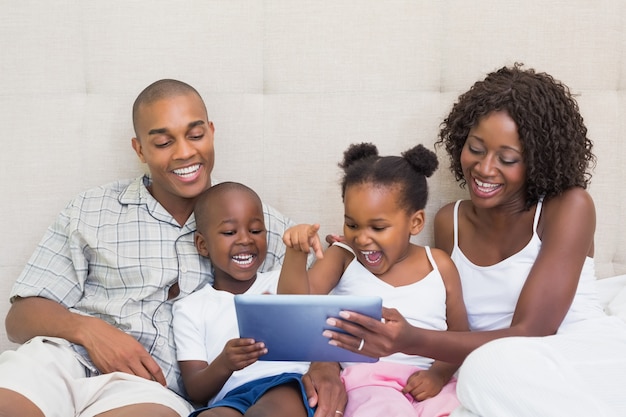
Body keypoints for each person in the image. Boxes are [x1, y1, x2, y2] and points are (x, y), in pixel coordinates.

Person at [0, 79, 343, 417]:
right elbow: (19, 318)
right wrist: (90, 330)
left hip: (146, 386)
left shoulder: (259, 225)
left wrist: (325, 364)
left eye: (195, 135)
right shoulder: (91, 209)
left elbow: (311, 306)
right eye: (164, 142)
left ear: (211, 131)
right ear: (139, 150)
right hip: (60, 359)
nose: (185, 152)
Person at [316, 64, 626, 416]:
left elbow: (534, 331)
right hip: (493, 372)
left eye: (507, 159)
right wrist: (363, 242)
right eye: (476, 149)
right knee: (477, 375)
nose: (484, 168)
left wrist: (411, 338)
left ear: (539, 162)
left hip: (568, 357)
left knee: (482, 370)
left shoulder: (569, 207)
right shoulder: (450, 220)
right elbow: (442, 309)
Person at [279, 142, 469, 417]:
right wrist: (296, 254)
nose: (361, 238)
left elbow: (460, 336)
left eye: (378, 227)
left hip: (429, 384)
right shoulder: (343, 256)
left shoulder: (439, 264)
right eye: (352, 224)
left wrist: (438, 375)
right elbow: (294, 309)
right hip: (368, 382)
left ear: (415, 223)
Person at [172, 181, 314, 417]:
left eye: (256, 230)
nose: (246, 239)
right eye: (229, 232)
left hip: (284, 385)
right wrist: (225, 363)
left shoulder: (280, 281)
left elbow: (295, 306)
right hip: (230, 398)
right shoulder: (190, 308)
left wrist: (296, 251)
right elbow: (196, 389)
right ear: (203, 245)